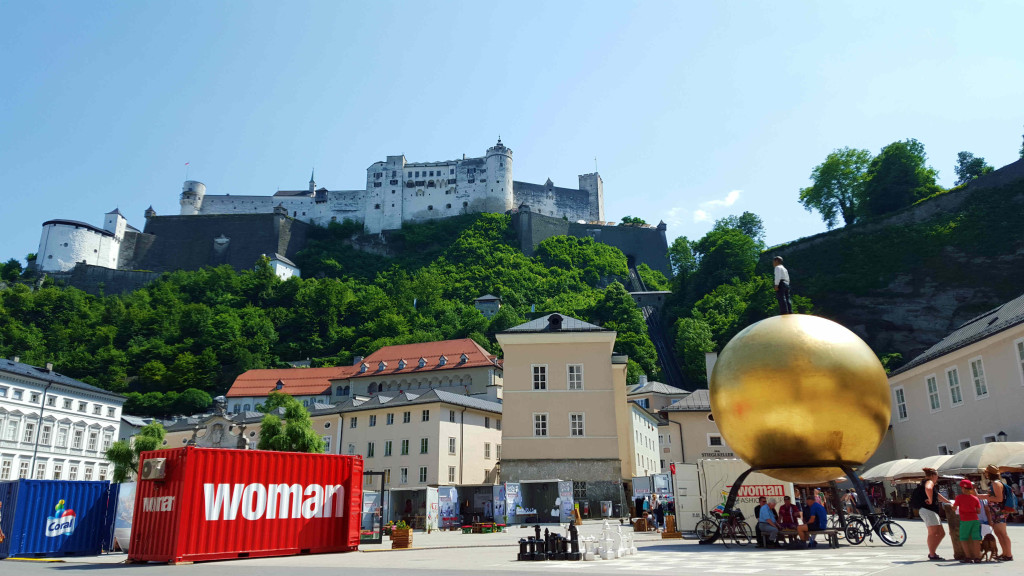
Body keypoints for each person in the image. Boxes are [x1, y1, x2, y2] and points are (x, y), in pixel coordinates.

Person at [917, 468, 951, 561]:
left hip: (930, 510)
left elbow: (937, 495)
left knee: (941, 533)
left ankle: (932, 552)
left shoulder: (925, 482)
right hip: (928, 510)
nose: (937, 477)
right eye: (937, 475)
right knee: (933, 533)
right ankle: (932, 554)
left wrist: (948, 502)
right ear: (932, 475)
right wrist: (930, 500)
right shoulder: (929, 482)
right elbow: (928, 489)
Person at [983, 464, 1014, 561]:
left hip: (999, 511)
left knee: (1002, 533)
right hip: (996, 511)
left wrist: (986, 497)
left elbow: (999, 499)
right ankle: (1005, 553)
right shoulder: (995, 483)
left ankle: (1008, 555)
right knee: (999, 534)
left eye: (986, 472)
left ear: (989, 473)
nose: (985, 474)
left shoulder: (996, 484)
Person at [954, 479, 983, 564]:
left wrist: (953, 506)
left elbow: (954, 508)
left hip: (965, 520)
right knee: (976, 538)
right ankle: (977, 557)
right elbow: (978, 511)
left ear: (963, 488)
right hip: (975, 519)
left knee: (963, 538)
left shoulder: (959, 497)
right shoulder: (975, 498)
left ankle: (968, 557)